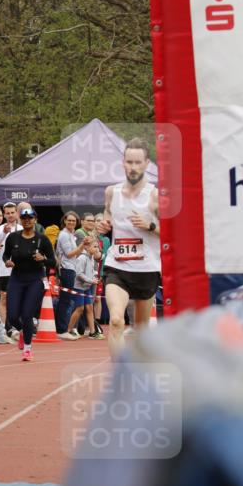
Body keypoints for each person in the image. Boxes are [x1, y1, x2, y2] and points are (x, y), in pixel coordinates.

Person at [97, 139, 160, 356]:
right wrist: (104, 223)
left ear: (147, 164)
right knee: (116, 321)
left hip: (146, 269)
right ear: (123, 163)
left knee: (141, 331)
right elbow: (107, 214)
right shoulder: (111, 192)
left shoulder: (154, 195)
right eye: (129, 162)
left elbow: (172, 232)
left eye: (138, 162)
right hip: (117, 266)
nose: (133, 167)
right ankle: (120, 378)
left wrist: (150, 225)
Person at [2, 207, 56, 361]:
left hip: (35, 280)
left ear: (35, 219)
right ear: (20, 219)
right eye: (24, 218)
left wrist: (43, 259)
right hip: (17, 278)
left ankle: (27, 348)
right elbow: (6, 254)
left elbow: (53, 262)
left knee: (27, 314)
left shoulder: (42, 239)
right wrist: (7, 261)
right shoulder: (13, 237)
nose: (27, 221)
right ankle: (22, 331)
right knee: (12, 316)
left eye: (30, 218)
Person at [0, 202, 22, 344]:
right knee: (4, 298)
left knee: (18, 299)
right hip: (4, 270)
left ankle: (13, 327)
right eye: (7, 213)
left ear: (16, 213)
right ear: (4, 214)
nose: (10, 215)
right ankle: (2, 329)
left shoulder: (22, 228)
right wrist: (4, 233)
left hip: (20, 269)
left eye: (12, 212)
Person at [59, 237, 101, 340]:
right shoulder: (82, 258)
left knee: (90, 307)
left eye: (97, 247)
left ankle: (92, 332)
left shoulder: (91, 258)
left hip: (87, 286)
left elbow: (91, 271)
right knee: (80, 308)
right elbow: (79, 273)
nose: (97, 249)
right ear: (86, 247)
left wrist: (95, 276)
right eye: (94, 247)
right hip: (78, 286)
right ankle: (68, 330)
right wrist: (91, 280)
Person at [54, 211, 83, 333]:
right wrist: (83, 245)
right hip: (66, 269)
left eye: (74, 221)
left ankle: (64, 328)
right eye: (69, 220)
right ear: (64, 221)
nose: (71, 222)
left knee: (67, 300)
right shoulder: (64, 235)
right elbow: (69, 254)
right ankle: (61, 330)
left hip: (71, 269)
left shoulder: (71, 235)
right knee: (65, 300)